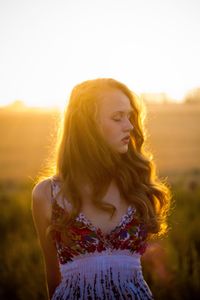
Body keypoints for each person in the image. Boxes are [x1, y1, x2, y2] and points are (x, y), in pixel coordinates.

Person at [31, 78, 171, 300]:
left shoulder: (137, 186)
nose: (130, 126)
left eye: (130, 117)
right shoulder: (47, 194)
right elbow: (52, 276)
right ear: (86, 126)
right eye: (117, 118)